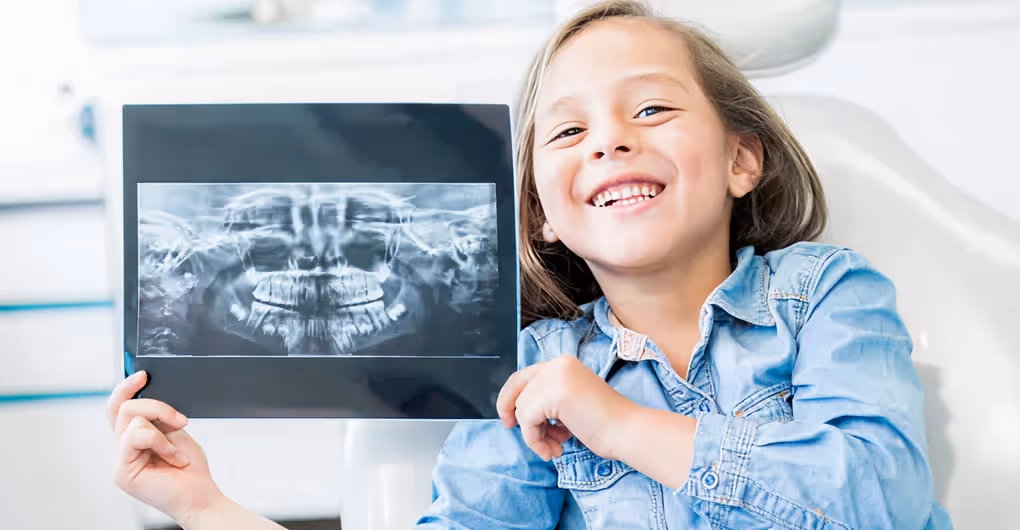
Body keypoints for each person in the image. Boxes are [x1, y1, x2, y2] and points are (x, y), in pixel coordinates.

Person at [106, 1, 953, 528]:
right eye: (569, 130)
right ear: (541, 213)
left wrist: (616, 423)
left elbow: (883, 502)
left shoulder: (826, 296)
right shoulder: (533, 372)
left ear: (742, 158)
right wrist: (203, 507)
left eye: (652, 108)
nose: (610, 140)